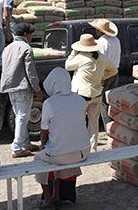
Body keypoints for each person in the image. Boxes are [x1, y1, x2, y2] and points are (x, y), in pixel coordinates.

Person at [34, 68, 90, 208]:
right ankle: (57, 194)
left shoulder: (50, 103)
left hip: (60, 155)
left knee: (41, 158)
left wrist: (42, 145)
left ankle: (48, 198)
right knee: (59, 152)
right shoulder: (80, 100)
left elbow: (44, 132)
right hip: (83, 152)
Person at [65, 34, 117, 151]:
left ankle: (79, 147)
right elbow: (114, 70)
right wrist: (103, 77)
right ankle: (92, 147)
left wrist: (73, 52)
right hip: (97, 92)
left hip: (81, 95)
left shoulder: (81, 58)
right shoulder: (101, 57)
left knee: (79, 121)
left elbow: (67, 65)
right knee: (93, 123)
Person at [0, 22, 43, 158]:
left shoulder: (8, 48)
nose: (31, 37)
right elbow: (31, 72)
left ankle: (25, 142)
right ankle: (17, 147)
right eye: (31, 34)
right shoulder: (26, 48)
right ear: (25, 35)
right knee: (23, 116)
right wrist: (37, 89)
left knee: (19, 114)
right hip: (22, 86)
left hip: (10, 86)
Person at [89, 19, 121, 131]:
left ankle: (108, 128)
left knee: (103, 103)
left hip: (105, 74)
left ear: (99, 31)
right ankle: (115, 125)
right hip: (115, 72)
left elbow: (99, 60)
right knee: (113, 101)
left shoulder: (101, 42)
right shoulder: (116, 40)